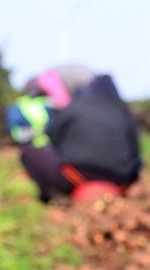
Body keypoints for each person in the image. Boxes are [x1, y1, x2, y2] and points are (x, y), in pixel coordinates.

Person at [18, 74, 142, 203]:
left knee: (29, 152)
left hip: (74, 175)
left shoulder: (78, 105)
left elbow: (52, 135)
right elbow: (136, 155)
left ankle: (54, 196)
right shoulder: (126, 113)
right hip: (118, 181)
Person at [6, 64, 97, 148]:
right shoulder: (44, 100)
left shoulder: (47, 81)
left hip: (46, 147)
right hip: (46, 145)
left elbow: (65, 104)